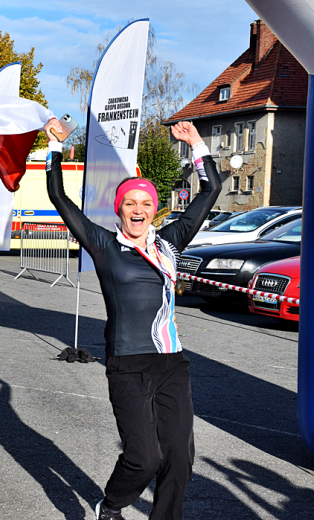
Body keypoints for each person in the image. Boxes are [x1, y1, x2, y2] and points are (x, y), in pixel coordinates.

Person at [43, 119, 220, 520]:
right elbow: (59, 197)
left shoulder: (170, 242)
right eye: (129, 204)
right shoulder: (103, 243)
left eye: (145, 204)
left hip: (171, 363)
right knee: (143, 458)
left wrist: (197, 144)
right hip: (127, 365)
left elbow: (210, 189)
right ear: (118, 209)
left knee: (179, 459)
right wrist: (54, 147)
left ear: (155, 209)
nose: (137, 211)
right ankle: (112, 505)